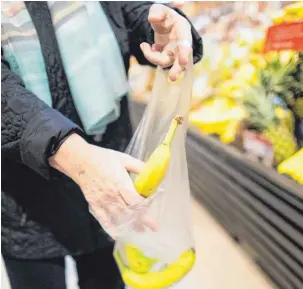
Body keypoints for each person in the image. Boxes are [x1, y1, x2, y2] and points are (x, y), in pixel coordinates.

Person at [1, 1, 203, 289]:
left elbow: (130, 12)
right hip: (26, 202)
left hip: (111, 182)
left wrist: (164, 30)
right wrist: (76, 158)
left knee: (107, 277)